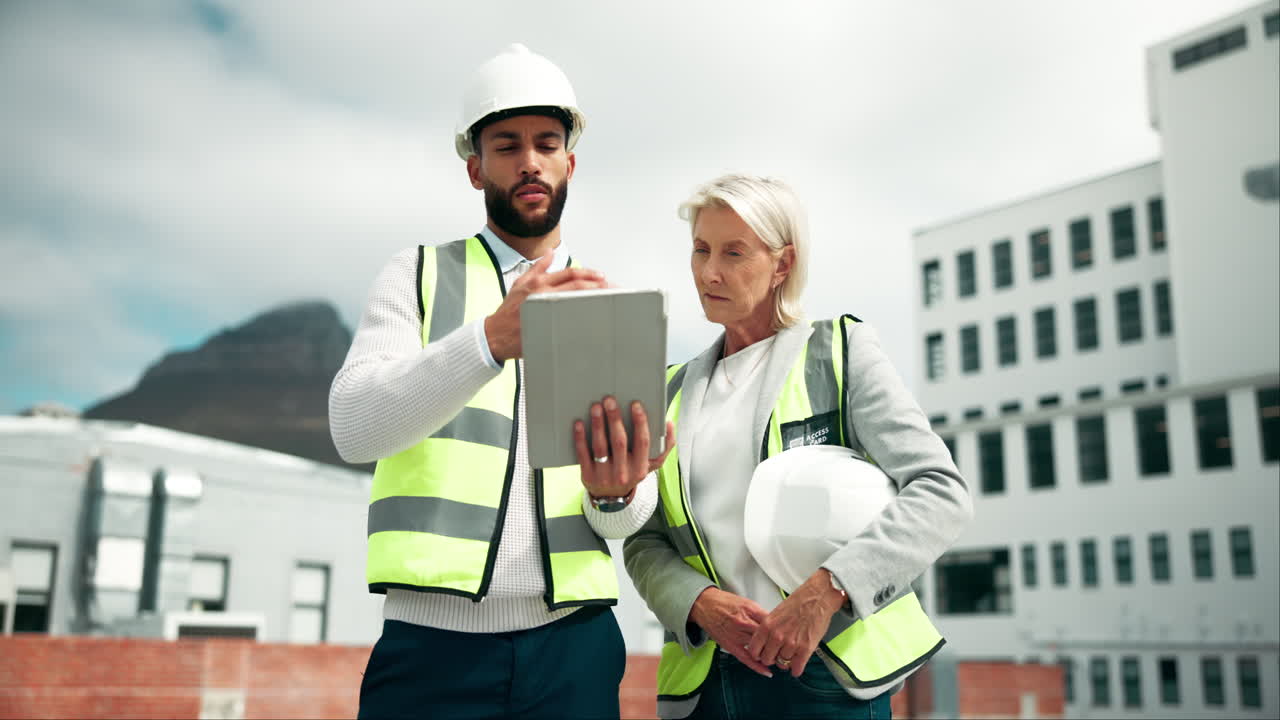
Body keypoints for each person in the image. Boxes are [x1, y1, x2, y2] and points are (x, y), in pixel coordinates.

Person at [329, 43, 669, 720]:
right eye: (507, 145)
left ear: (570, 162)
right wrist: (489, 340)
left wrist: (616, 492)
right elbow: (353, 427)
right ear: (474, 167)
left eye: (547, 143)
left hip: (574, 650)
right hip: (432, 652)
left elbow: (632, 514)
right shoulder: (417, 276)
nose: (530, 161)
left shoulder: (608, 301)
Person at [624, 174, 974, 719]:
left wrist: (828, 590)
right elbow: (645, 539)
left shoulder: (839, 352)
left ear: (782, 264)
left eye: (733, 252)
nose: (708, 272)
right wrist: (697, 602)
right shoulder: (666, 391)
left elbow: (940, 493)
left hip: (825, 676)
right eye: (700, 250)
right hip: (708, 685)